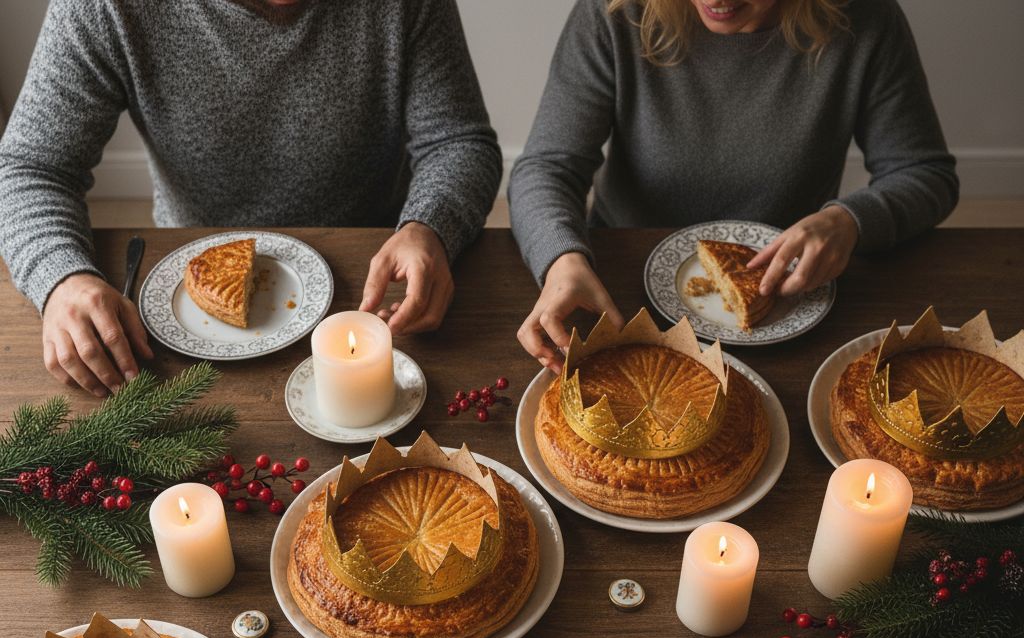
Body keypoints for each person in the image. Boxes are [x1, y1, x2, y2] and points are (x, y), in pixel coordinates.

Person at [0, 0, 502, 396]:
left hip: (378, 287)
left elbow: (459, 142)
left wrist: (429, 226)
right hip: (179, 315)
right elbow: (30, 166)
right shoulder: (105, 7)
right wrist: (62, 278)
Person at [511, 0, 959, 371]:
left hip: (790, 310)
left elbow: (923, 172)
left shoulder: (865, 18)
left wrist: (849, 222)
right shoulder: (615, 11)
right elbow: (546, 167)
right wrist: (562, 259)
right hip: (617, 293)